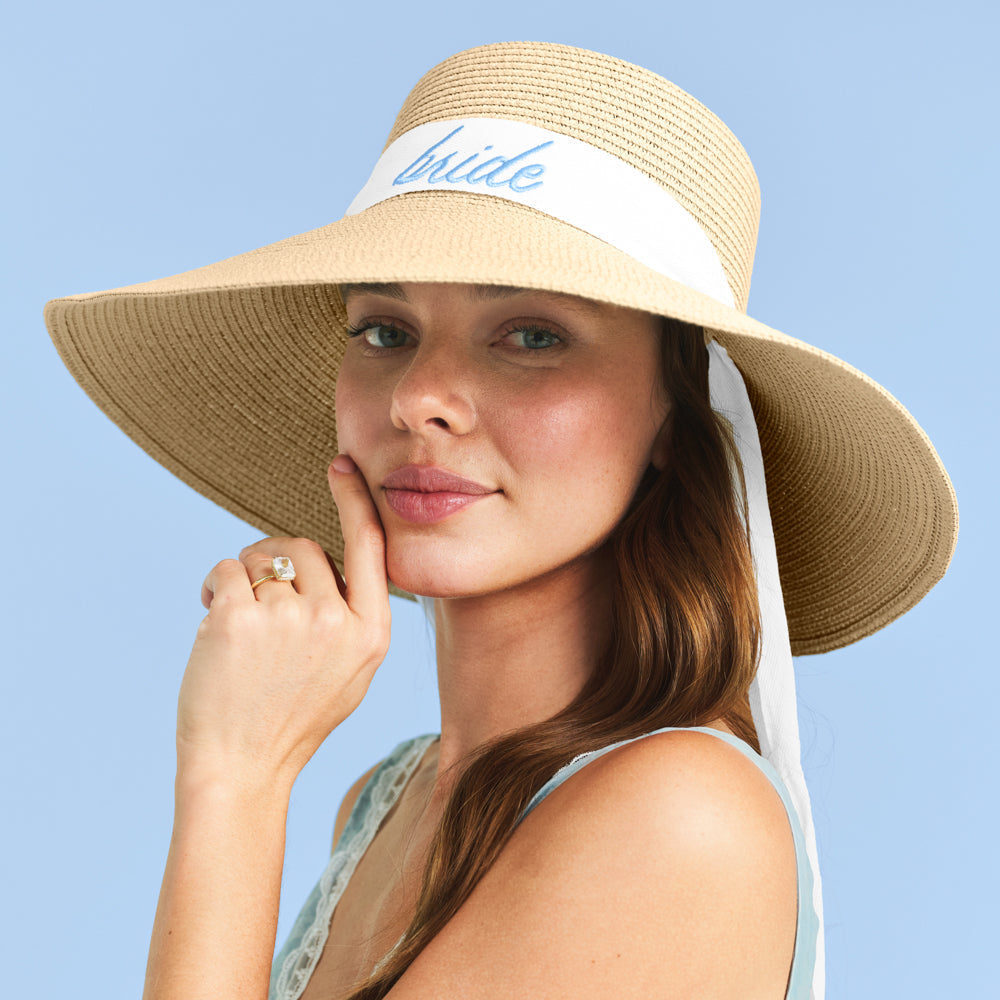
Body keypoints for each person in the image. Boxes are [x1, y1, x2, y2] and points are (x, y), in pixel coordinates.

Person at [44, 41, 957, 1000]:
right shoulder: (385, 801)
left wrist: (234, 778)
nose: (420, 398)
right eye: (384, 331)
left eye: (531, 335)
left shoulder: (679, 819)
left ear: (672, 415)